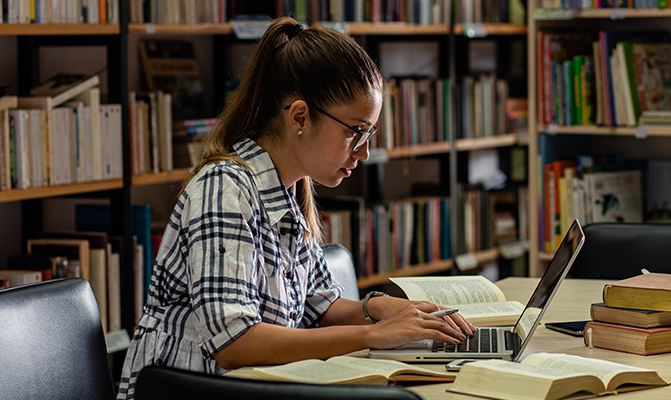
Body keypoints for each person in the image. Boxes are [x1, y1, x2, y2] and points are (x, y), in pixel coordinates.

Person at [116, 17, 475, 399]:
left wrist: (387, 309)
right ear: (299, 117)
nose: (365, 151)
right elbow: (235, 343)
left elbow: (321, 303)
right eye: (356, 131)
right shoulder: (224, 189)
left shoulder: (291, 187)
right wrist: (373, 334)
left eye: (370, 134)